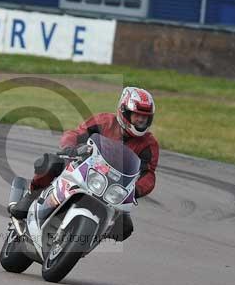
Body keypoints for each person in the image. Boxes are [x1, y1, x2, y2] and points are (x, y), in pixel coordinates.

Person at [9, 87, 159, 242]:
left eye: (145, 117)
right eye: (137, 116)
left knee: (124, 228)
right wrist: (70, 148)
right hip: (85, 168)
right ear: (124, 111)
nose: (141, 120)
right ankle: (31, 195)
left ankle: (88, 236)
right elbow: (75, 134)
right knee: (50, 163)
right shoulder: (104, 121)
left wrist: (136, 189)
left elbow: (149, 173)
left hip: (114, 190)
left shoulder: (149, 144)